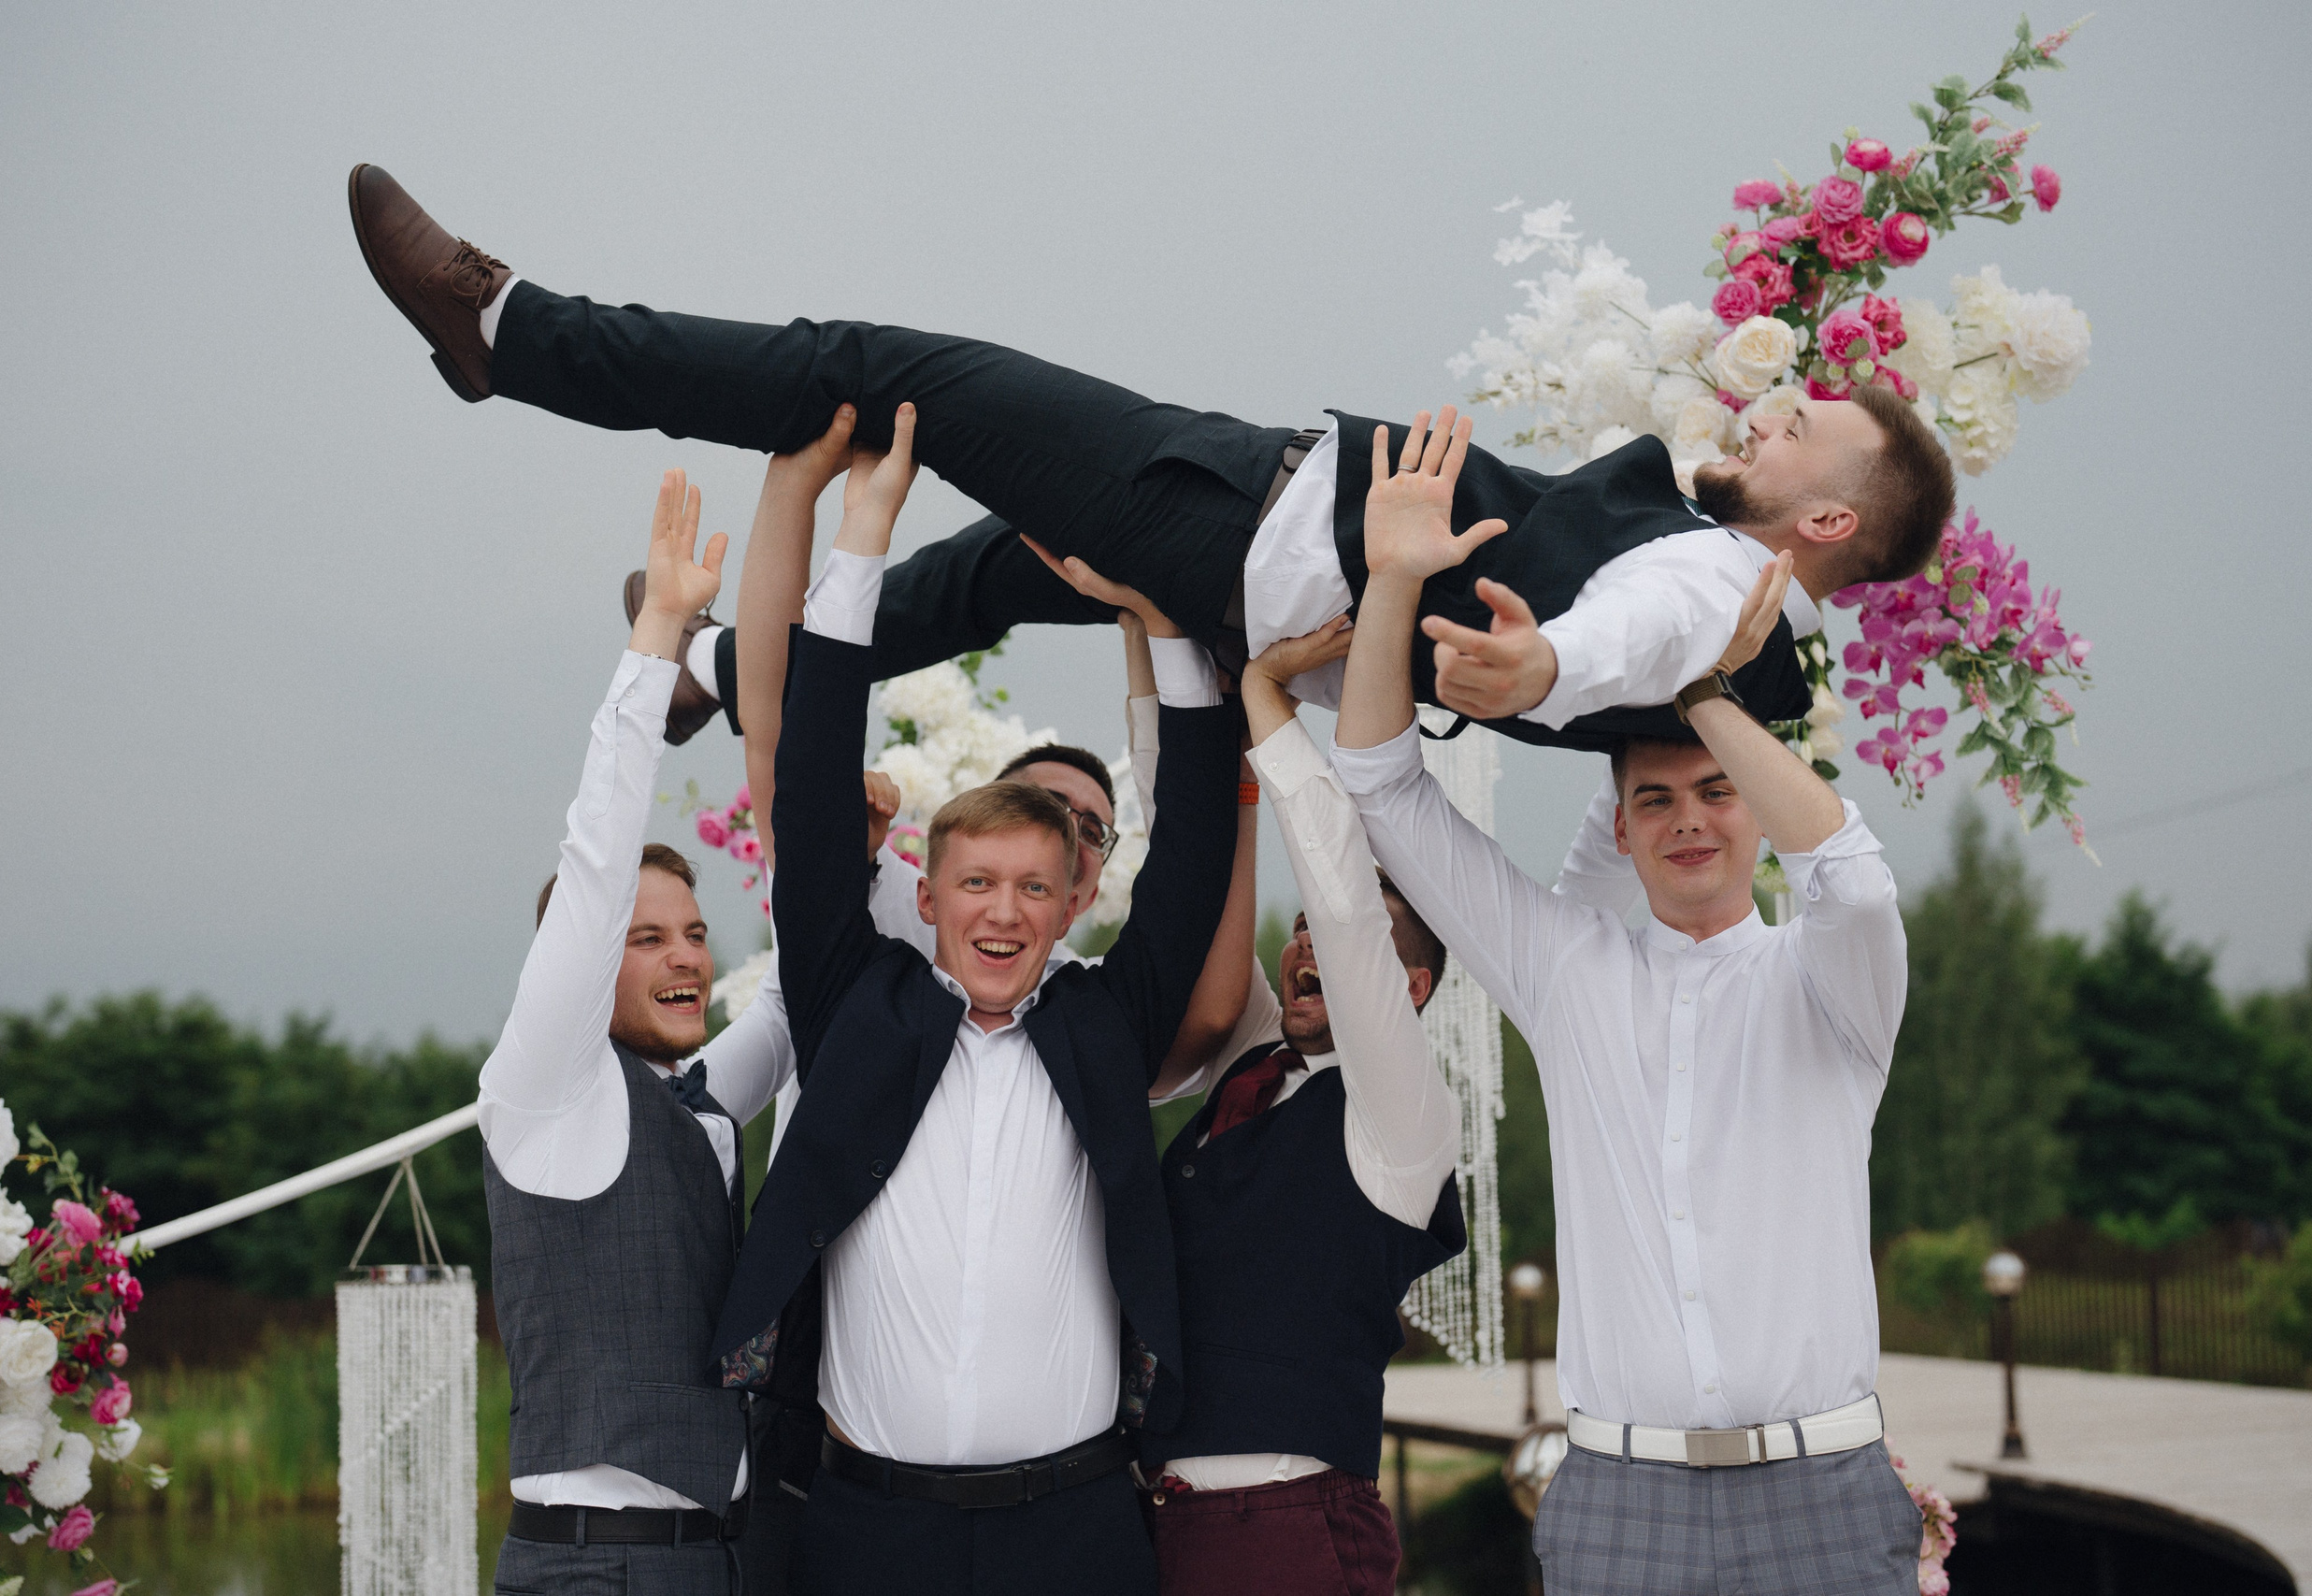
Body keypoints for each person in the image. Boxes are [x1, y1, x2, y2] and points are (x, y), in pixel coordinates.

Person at [344, 165, 1955, 754]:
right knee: (993, 570)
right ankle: (713, 668)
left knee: (882, 376)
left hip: (1244, 529)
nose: (1773, 403)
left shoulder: (1710, 579)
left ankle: (518, 332)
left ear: (1823, 515)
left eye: (1804, 424)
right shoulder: (1728, 594)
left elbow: (1611, 647)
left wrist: (1535, 670)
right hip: (1246, 532)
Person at [662, 407, 1271, 1589]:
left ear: (1070, 903)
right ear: (928, 897)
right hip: (865, 1527)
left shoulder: (1106, 1023)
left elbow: (1194, 848)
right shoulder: (853, 1000)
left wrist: (1169, 610)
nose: (1003, 912)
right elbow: (811, 783)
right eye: (978, 884)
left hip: (1078, 1527)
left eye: (1033, 889)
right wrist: (865, 537)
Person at [1326, 425, 1920, 1592]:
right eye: (1652, 801)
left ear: (1751, 808)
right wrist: (1395, 577)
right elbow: (1381, 786)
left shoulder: (1832, 982)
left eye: (1713, 793)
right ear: (1622, 826)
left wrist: (1701, 687)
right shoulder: (1568, 972)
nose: (1688, 820)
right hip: (1616, 1495)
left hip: (1827, 1493)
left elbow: (1850, 871)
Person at [1127, 610, 1464, 1596]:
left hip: (1288, 1531)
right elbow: (1183, 860)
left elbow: (1350, 914)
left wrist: (1267, 703)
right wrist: (1149, 637)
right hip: (1148, 1520)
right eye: (1301, 928)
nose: (1311, 940)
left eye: (1338, 929)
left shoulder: (1401, 1119)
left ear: (1407, 990)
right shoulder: (1251, 1065)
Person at [476, 471, 754, 1592]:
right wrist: (655, 646)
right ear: (587, 968)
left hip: (719, 1565)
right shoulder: (549, 1091)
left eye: (692, 933)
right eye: (647, 941)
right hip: (599, 1573)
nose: (686, 955)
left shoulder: (702, 1099)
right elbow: (597, 863)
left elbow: (796, 995)